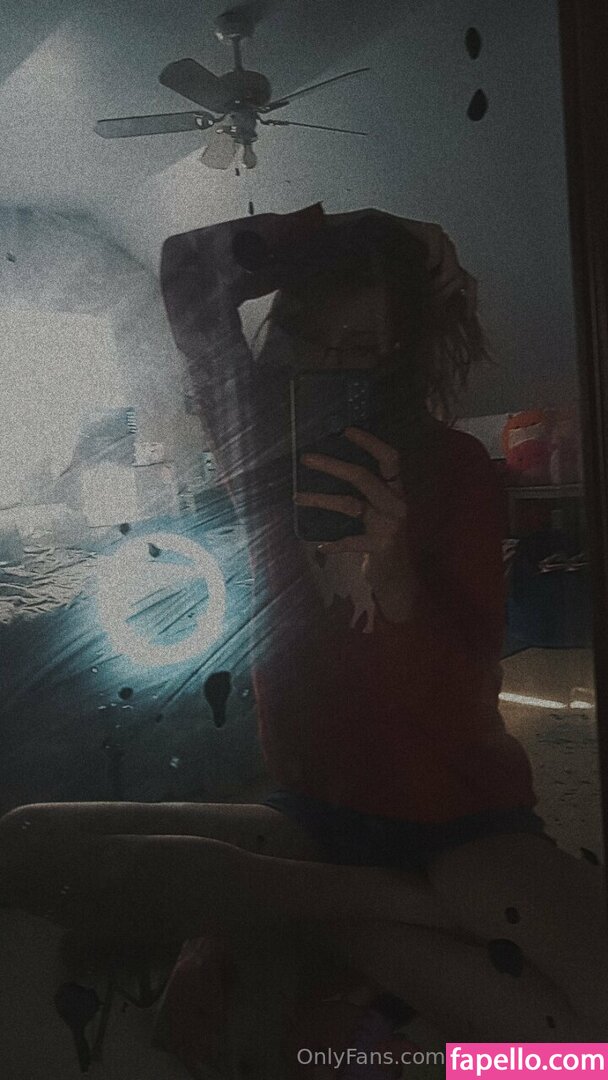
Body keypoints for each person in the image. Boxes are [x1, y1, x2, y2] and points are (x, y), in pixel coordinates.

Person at [0, 205, 605, 1045]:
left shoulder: (456, 469)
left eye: (358, 347)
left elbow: (464, 702)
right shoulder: (255, 438)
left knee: (583, 1048)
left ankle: (316, 927)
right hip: (313, 818)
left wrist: (393, 584)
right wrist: (357, 230)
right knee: (23, 841)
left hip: (460, 822)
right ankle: (374, 909)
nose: (324, 365)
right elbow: (187, 269)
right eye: (303, 335)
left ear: (396, 355)